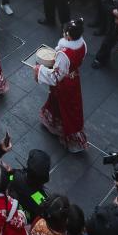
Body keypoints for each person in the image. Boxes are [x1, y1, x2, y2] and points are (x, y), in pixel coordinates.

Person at [35, 19, 87, 153]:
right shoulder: (82, 45)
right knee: (71, 106)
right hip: (74, 79)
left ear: (68, 35)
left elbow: (55, 77)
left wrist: (40, 70)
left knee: (63, 106)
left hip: (64, 84)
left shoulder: (64, 54)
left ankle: (63, 131)